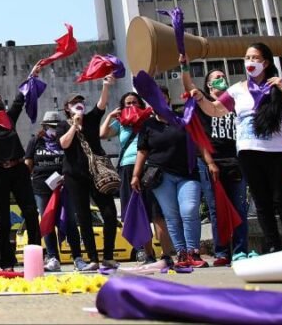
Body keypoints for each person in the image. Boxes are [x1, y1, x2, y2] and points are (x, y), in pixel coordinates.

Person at [192, 42, 282, 254]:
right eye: (247, 58)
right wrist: (200, 98)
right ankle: (273, 245)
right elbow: (216, 110)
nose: (250, 62)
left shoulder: (278, 87)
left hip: (277, 151)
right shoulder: (237, 89)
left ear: (266, 62)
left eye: (255, 58)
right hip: (247, 152)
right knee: (261, 202)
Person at [132, 86, 218, 269]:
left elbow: (199, 142)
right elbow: (142, 151)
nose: (159, 102)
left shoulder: (184, 118)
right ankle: (181, 254)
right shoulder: (148, 124)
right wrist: (135, 175)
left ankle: (193, 251)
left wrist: (210, 163)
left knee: (190, 209)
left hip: (188, 173)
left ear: (168, 99)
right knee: (171, 216)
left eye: (162, 98)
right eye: (154, 98)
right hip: (161, 176)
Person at [180, 66, 248, 266]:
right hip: (212, 163)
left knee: (239, 207)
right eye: (217, 78)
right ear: (208, 84)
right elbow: (199, 137)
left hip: (236, 161)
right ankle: (221, 252)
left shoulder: (233, 103)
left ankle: (240, 251)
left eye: (223, 77)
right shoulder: (204, 104)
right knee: (216, 210)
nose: (221, 79)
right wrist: (184, 66)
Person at [0, 63, 42, 271]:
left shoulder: (9, 118)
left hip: (18, 170)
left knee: (31, 213)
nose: (1, 102)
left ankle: (36, 258)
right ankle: (7, 262)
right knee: (3, 220)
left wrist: (31, 76)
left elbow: (20, 99)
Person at [59, 81, 118, 271]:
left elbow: (102, 104)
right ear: (67, 109)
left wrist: (106, 86)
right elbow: (64, 144)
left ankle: (108, 256)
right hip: (75, 176)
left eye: (80, 101)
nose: (79, 104)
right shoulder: (62, 125)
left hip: (97, 174)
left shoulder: (91, 119)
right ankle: (93, 258)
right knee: (83, 217)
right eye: (74, 102)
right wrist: (74, 125)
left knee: (110, 213)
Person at [99, 92, 158, 264]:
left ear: (140, 104)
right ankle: (143, 250)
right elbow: (103, 134)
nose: (131, 105)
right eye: (127, 103)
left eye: (134, 102)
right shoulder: (121, 123)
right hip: (126, 167)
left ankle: (152, 251)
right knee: (132, 211)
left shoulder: (148, 119)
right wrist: (110, 115)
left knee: (149, 211)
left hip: (147, 167)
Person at [25, 111, 83, 272]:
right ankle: (52, 257)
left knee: (69, 220)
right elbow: (28, 164)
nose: (54, 130)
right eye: (50, 127)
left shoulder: (66, 141)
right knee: (47, 222)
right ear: (44, 126)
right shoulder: (35, 141)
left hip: (65, 187)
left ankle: (77, 257)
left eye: (56, 127)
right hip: (41, 188)